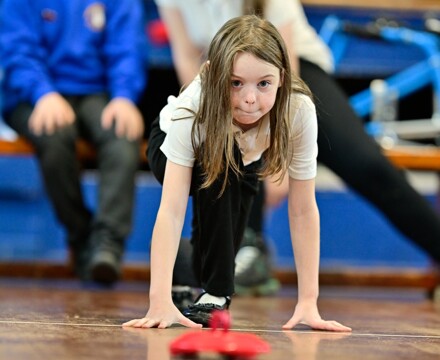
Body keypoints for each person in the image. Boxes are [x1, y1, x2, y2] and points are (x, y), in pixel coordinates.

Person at [153, 0, 440, 297]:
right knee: (230, 159)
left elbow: (287, 68)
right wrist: (210, 117)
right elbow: (188, 57)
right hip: (225, 82)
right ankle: (247, 251)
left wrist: (281, 161)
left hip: (290, 74)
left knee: (366, 166)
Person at [122, 15, 352, 331]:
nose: (249, 98)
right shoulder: (193, 109)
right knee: (222, 164)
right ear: (213, 76)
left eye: (264, 84)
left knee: (224, 236)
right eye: (235, 83)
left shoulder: (298, 110)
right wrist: (159, 300)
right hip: (172, 149)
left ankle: (185, 266)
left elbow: (302, 211)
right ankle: (217, 294)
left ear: (282, 78)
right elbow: (172, 210)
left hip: (244, 155)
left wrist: (308, 301)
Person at [0, 0, 147, 286]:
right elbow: (17, 49)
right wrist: (42, 92)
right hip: (33, 93)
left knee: (122, 134)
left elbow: (128, 47)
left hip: (97, 91)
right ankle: (82, 239)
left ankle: (108, 246)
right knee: (54, 137)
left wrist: (124, 96)